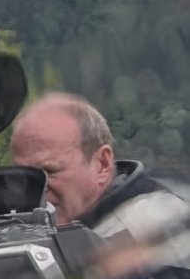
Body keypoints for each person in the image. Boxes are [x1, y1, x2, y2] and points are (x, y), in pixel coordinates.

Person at [10, 89, 190, 248]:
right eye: (24, 177)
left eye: (49, 171)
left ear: (102, 164)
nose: (34, 188)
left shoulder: (156, 226)